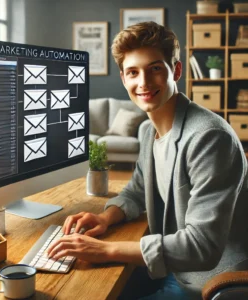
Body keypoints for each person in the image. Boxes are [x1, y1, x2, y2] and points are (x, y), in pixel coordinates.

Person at [47, 22, 248, 299]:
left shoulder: (209, 137)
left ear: (175, 71)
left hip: (211, 281)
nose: (142, 82)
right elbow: (138, 189)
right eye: (133, 72)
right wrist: (105, 217)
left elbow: (202, 246)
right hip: (174, 268)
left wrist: (105, 250)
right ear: (123, 78)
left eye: (154, 69)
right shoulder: (147, 131)